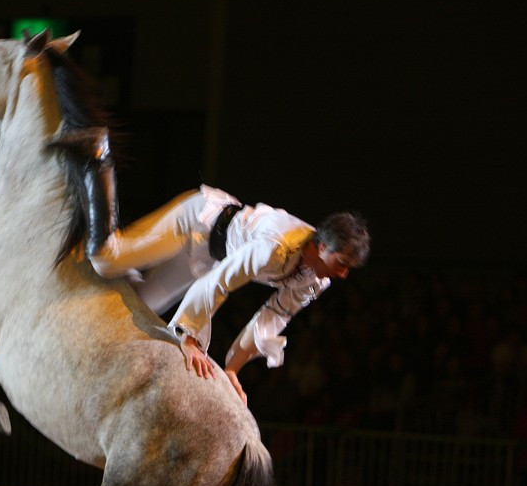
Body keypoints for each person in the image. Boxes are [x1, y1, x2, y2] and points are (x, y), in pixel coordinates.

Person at [53, 128, 370, 403]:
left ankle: (122, 276)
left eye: (348, 269)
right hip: (197, 220)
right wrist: (190, 339)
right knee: (107, 259)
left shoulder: (316, 281)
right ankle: (98, 156)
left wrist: (233, 368)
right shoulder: (275, 247)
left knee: (141, 306)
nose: (342, 275)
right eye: (341, 264)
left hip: (209, 257)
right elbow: (218, 283)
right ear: (322, 246)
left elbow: (273, 316)